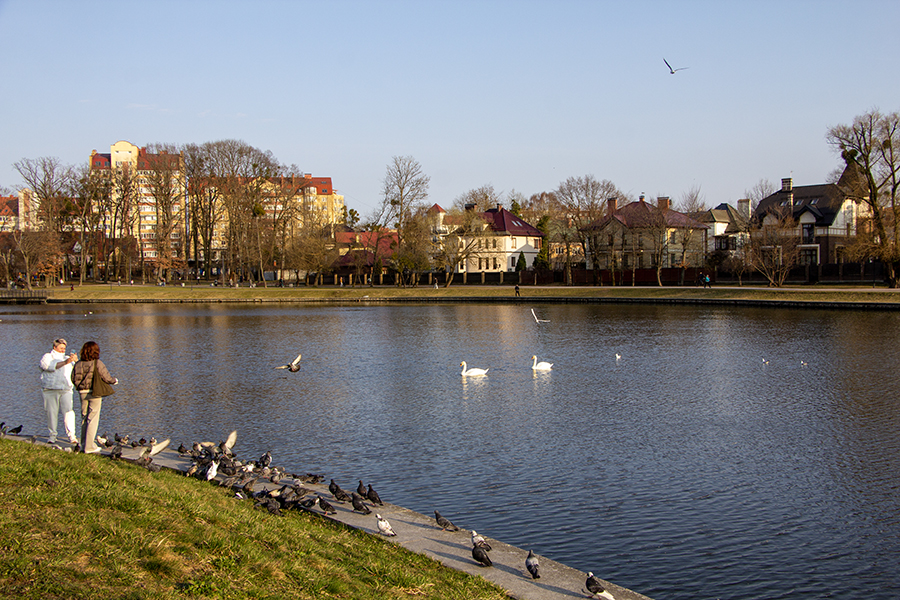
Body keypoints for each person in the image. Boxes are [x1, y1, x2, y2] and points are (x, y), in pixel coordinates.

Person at [71, 341, 117, 454]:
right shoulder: (97, 363)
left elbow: (73, 378)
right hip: (94, 392)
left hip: (82, 392)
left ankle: (83, 445)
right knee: (93, 419)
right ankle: (89, 446)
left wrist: (79, 386)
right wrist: (114, 381)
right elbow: (106, 376)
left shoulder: (78, 364)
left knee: (84, 418)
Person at [39, 338, 79, 444]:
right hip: (50, 390)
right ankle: (52, 436)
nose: (62, 350)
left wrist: (76, 361)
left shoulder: (67, 358)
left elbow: (79, 371)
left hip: (66, 390)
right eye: (61, 348)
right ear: (54, 347)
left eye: (64, 348)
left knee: (69, 412)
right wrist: (67, 362)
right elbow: (49, 366)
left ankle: (72, 436)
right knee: (51, 413)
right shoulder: (47, 357)